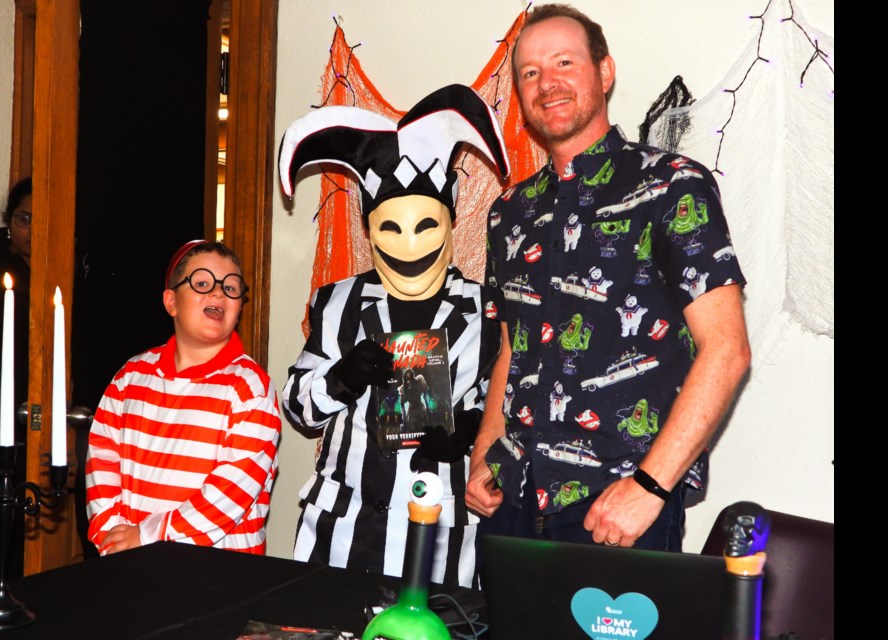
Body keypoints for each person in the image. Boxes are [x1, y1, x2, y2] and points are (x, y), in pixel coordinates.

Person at [465, 4, 751, 556]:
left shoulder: (673, 187)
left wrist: (649, 488)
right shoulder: (509, 212)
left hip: (617, 512)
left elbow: (728, 349)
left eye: (564, 62)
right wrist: (483, 451)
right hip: (513, 509)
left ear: (604, 71)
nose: (547, 83)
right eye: (530, 72)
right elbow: (510, 348)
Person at [280, 85, 508, 588]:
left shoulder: (486, 311)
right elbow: (297, 406)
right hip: (339, 533)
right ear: (368, 229)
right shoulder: (337, 300)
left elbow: (510, 409)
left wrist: (471, 434)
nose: (409, 245)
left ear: (449, 223)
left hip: (436, 540)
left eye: (426, 225)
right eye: (390, 227)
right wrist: (338, 379)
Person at [84, 240, 281, 555]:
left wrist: (148, 536)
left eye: (231, 288)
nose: (219, 293)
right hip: (131, 563)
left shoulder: (250, 388)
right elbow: (102, 460)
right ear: (171, 301)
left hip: (218, 576)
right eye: (202, 283)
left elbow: (229, 494)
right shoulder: (130, 376)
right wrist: (112, 535)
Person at [0, 176, 33, 584]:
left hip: (35, 418)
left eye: (40, 219)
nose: (30, 230)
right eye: (23, 219)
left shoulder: (70, 266)